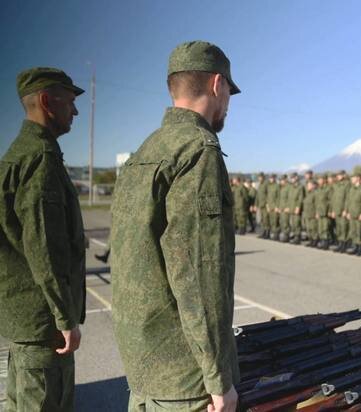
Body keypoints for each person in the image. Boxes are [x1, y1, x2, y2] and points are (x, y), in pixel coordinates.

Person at [110, 41, 240, 412]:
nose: (229, 101)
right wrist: (218, 379)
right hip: (184, 379)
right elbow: (199, 276)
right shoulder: (198, 150)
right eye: (230, 90)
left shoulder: (147, 149)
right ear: (217, 85)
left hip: (144, 365)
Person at [0, 67, 86, 411]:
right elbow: (45, 250)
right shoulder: (40, 160)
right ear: (48, 102)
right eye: (70, 101)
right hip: (43, 326)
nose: (75, 111)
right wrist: (65, 319)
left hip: (25, 321)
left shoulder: (17, 155)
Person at [346, 166, 361, 256]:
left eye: (353, 177)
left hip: (359, 213)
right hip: (352, 213)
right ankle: (355, 246)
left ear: (358, 178)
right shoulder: (351, 189)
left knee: (359, 231)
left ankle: (360, 248)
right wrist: (347, 211)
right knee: (353, 231)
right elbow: (348, 201)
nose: (351, 179)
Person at [330, 170, 350, 253]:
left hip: (343, 210)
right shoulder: (336, 185)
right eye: (337, 175)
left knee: (344, 227)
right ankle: (340, 244)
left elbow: (348, 199)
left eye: (340, 175)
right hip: (337, 209)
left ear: (343, 175)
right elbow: (333, 199)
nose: (338, 176)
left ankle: (345, 245)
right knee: (338, 228)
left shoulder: (347, 184)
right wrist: (333, 210)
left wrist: (346, 209)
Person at [288, 172, 305, 244]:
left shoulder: (300, 187)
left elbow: (300, 198)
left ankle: (298, 237)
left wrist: (298, 207)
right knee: (293, 223)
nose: (292, 179)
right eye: (291, 178)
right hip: (291, 207)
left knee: (297, 223)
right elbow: (289, 198)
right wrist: (288, 207)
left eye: (293, 178)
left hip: (296, 208)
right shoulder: (291, 187)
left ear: (296, 178)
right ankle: (295, 235)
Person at [303, 179, 318, 247]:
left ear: (313, 186)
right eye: (307, 185)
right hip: (307, 213)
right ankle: (311, 240)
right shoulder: (308, 194)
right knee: (308, 227)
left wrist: (317, 213)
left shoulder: (315, 193)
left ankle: (315, 240)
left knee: (313, 227)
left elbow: (317, 204)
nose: (307, 186)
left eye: (309, 185)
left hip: (313, 213)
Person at [265, 173, 280, 240]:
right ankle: (272, 234)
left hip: (275, 207)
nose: (271, 179)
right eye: (270, 178)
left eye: (272, 178)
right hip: (269, 206)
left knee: (275, 221)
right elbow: (267, 197)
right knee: (271, 221)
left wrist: (277, 206)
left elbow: (278, 197)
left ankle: (276, 234)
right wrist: (267, 205)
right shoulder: (269, 186)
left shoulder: (277, 186)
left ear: (274, 178)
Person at [254, 172, 268, 238]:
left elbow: (268, 195)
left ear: (263, 177)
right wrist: (256, 204)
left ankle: (267, 233)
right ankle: (263, 232)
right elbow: (257, 195)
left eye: (261, 177)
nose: (259, 178)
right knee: (262, 219)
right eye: (259, 177)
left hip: (265, 205)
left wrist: (267, 204)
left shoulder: (266, 184)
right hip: (260, 205)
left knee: (266, 219)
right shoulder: (260, 185)